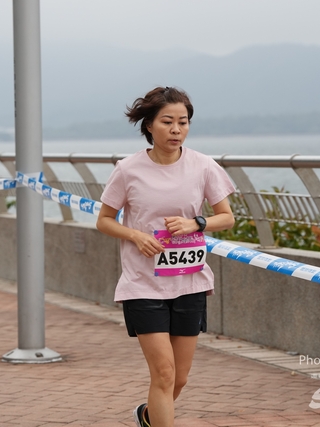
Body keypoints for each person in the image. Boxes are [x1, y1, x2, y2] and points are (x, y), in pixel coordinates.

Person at [96, 86, 236, 427]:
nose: (176, 130)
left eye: (183, 123)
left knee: (179, 379)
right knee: (163, 372)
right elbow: (104, 220)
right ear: (149, 125)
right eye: (167, 122)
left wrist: (196, 223)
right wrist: (135, 235)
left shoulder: (203, 166)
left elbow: (227, 217)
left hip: (190, 282)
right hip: (143, 284)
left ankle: (147, 416)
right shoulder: (128, 169)